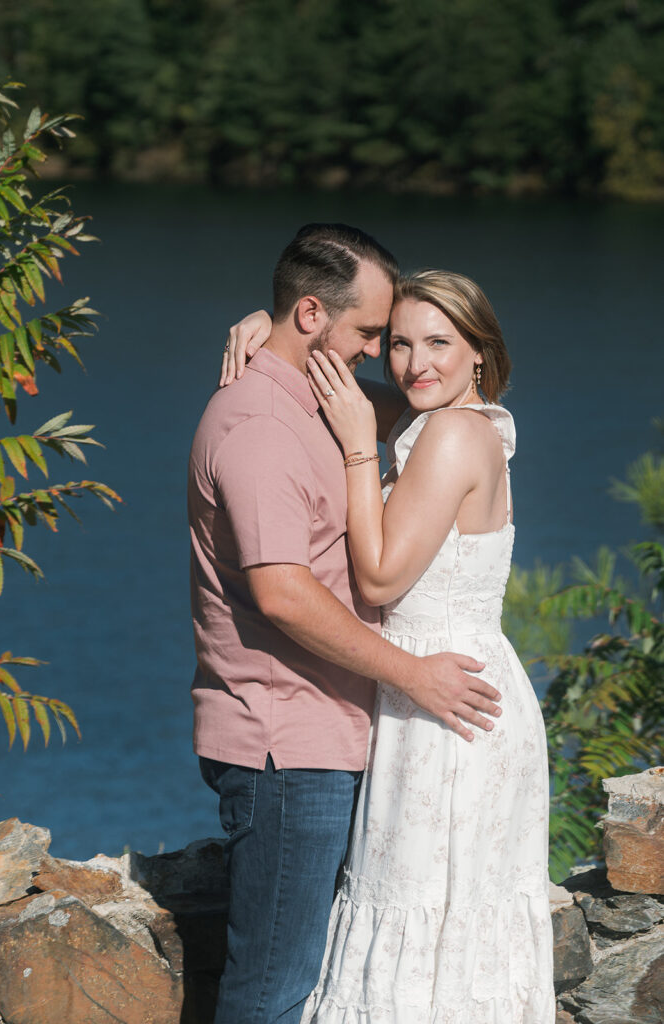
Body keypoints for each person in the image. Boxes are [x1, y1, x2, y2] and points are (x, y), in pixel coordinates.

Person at [188, 224, 503, 1024]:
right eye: (370, 333)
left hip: (329, 736)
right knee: (273, 990)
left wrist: (267, 330)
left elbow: (434, 406)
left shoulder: (324, 404)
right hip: (286, 748)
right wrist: (413, 674)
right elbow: (283, 594)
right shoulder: (262, 427)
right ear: (310, 315)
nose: (377, 353)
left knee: (308, 980)